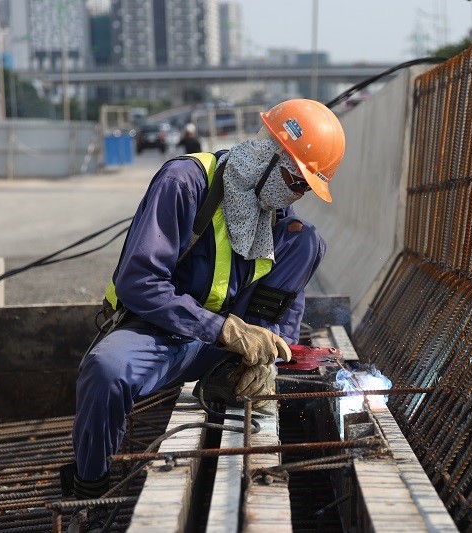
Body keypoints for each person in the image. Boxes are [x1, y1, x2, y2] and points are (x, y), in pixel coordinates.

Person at [59, 98, 345, 530]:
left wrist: (271, 353)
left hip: (218, 344)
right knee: (106, 370)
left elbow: (283, 302)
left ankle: (234, 373)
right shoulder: (185, 182)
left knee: (307, 239)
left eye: (305, 187)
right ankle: (90, 490)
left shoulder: (278, 220)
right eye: (297, 180)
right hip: (159, 332)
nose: (298, 193)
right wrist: (221, 328)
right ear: (269, 157)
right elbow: (139, 281)